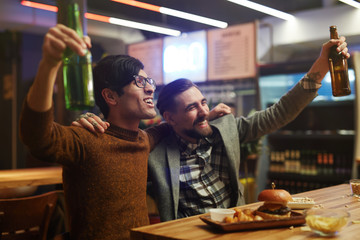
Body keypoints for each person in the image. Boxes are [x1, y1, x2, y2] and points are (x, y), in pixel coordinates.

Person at [74, 36, 350, 222]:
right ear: (169, 118)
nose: (204, 111)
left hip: (239, 226)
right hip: (188, 233)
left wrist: (322, 66)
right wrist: (95, 119)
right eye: (191, 108)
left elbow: (280, 112)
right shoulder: (155, 150)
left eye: (203, 102)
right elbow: (120, 142)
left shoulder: (226, 130)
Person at [19, 24, 172, 240]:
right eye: (139, 82)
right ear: (111, 97)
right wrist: (49, 64)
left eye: (149, 81)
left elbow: (167, 128)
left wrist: (204, 116)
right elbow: (37, 136)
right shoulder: (87, 139)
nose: (150, 88)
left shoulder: (142, 140)